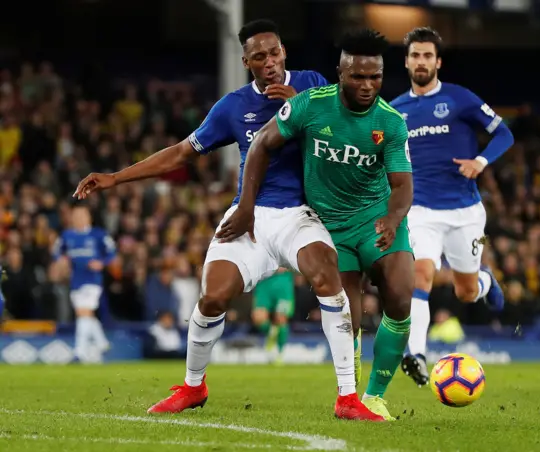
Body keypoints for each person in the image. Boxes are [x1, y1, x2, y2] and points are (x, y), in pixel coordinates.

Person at [73, 19, 381, 422]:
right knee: (213, 297)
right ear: (246, 61)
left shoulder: (313, 85)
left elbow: (349, 135)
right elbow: (183, 152)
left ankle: (347, 398)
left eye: (274, 53)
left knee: (327, 276)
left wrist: (302, 106)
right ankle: (193, 386)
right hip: (247, 216)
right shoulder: (233, 106)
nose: (269, 62)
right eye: (259, 57)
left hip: (299, 215)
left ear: (283, 51)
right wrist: (115, 177)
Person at [220, 29, 414, 421]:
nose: (367, 85)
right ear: (340, 73)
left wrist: (393, 219)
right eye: (357, 76)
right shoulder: (310, 104)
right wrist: (245, 204)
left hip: (376, 221)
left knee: (401, 295)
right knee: (349, 318)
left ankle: (376, 394)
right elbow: (260, 144)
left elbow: (402, 185)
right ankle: (352, 397)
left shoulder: (391, 122)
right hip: (329, 228)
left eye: (374, 77)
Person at [389, 27, 513, 387]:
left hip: (465, 213)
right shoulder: (395, 111)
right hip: (421, 212)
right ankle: (416, 355)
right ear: (407, 61)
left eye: (428, 55)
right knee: (421, 275)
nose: (422, 61)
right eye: (415, 55)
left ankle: (485, 283)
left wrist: (481, 161)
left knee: (466, 291)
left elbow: (504, 133)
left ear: (438, 61)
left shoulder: (460, 100)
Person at [52, 205, 115, 362]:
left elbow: (112, 251)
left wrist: (102, 262)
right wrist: (61, 260)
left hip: (92, 280)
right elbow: (56, 250)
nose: (79, 219)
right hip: (75, 280)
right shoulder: (67, 235)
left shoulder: (98, 234)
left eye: (82, 215)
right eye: (76, 216)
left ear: (89, 218)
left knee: (82, 312)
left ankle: (79, 352)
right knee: (86, 314)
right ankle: (102, 343)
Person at [252, 268, 295, 364]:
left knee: (281, 318)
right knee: (258, 318)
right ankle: (271, 331)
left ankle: (279, 353)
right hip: (264, 281)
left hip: (282, 280)